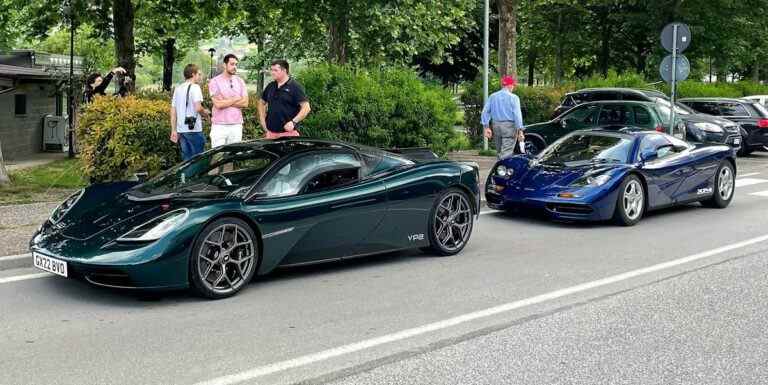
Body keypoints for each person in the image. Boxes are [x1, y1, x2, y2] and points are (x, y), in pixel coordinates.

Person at [258, 59, 311, 139]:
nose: (272, 72)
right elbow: (261, 102)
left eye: (275, 70)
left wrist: (293, 122)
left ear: (284, 71)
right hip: (271, 134)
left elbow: (306, 108)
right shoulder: (271, 86)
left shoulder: (295, 87)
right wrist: (262, 119)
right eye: (271, 70)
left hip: (289, 134)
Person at [170, 64, 210, 161]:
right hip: (194, 129)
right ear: (193, 74)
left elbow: (173, 111)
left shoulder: (178, 89)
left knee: (187, 161)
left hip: (181, 130)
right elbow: (198, 108)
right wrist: (206, 113)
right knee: (198, 160)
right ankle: (197, 176)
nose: (200, 77)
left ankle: (187, 176)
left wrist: (174, 130)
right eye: (199, 74)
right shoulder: (195, 87)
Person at [208, 54, 248, 147]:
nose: (235, 67)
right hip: (219, 125)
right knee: (218, 157)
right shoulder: (214, 81)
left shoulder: (240, 81)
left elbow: (245, 103)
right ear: (224, 65)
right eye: (232, 64)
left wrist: (225, 101)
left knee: (232, 156)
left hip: (236, 125)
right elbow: (218, 104)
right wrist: (236, 98)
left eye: (236, 64)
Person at [481, 75, 525, 158]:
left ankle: (500, 168)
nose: (513, 88)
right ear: (510, 85)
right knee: (506, 153)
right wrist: (520, 131)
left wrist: (486, 127)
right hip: (509, 127)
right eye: (513, 86)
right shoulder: (514, 98)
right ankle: (501, 169)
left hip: (496, 125)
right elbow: (517, 115)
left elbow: (485, 112)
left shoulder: (493, 96)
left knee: (499, 151)